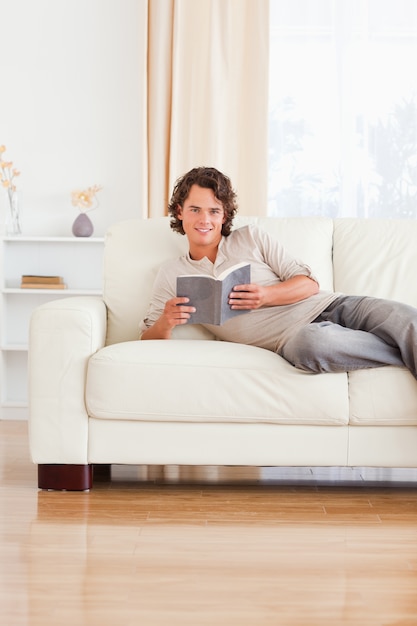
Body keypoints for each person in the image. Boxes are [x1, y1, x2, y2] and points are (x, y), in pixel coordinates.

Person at [140, 166, 417, 379]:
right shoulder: (171, 273)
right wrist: (166, 321)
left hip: (335, 306)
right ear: (180, 212)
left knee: (406, 321)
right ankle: (403, 349)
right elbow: (146, 340)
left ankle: (405, 342)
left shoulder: (252, 238)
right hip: (296, 338)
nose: (205, 220)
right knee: (314, 345)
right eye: (195, 210)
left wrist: (266, 295)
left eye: (214, 211)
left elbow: (309, 284)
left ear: (224, 216)